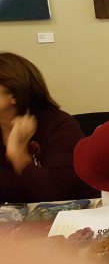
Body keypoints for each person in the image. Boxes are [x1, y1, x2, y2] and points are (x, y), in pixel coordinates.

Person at [0, 52, 99, 203]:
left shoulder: (59, 125)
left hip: (76, 212)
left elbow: (55, 194)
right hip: (18, 216)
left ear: (14, 95)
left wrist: (17, 155)